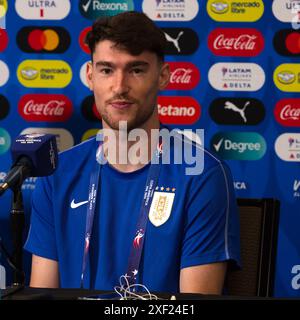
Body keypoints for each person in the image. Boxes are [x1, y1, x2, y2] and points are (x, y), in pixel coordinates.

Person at [24, 11, 240, 294]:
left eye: (136, 70)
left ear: (163, 77)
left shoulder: (201, 173)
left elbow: (190, 306)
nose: (120, 86)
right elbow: (43, 296)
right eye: (106, 70)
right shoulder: (57, 172)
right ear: (90, 76)